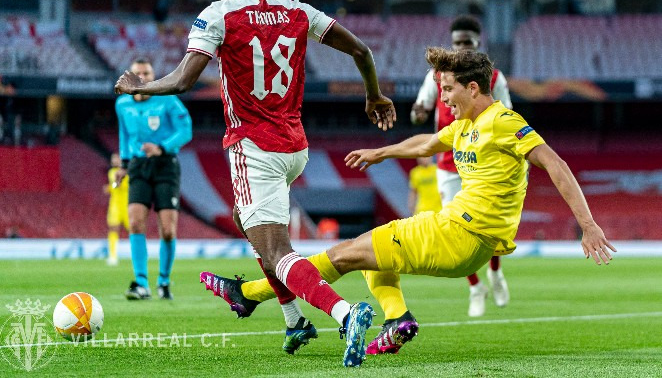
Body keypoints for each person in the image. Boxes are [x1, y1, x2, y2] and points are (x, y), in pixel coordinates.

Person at [203, 47, 615, 358]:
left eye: (448, 89)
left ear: (473, 88)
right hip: (469, 241)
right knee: (372, 259)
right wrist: (381, 152)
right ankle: (397, 320)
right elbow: (426, 143)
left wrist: (589, 225)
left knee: (345, 254)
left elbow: (555, 163)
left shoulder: (503, 121)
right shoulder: (466, 125)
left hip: (460, 232)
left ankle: (249, 293)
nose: (444, 99)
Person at [114, 0, 396, 367]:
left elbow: (183, 80)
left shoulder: (218, 14)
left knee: (277, 250)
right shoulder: (297, 10)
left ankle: (345, 313)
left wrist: (140, 87)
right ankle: (293, 320)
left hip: (254, 146)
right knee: (246, 220)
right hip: (295, 146)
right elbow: (362, 50)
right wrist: (373, 95)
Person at [411, 15, 513, 317]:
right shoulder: (437, 76)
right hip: (448, 163)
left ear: (477, 42)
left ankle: (495, 271)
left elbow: (507, 115)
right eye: (457, 42)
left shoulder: (494, 78)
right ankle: (475, 287)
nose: (462, 47)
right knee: (456, 231)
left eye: (467, 42)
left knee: (489, 225)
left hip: (484, 161)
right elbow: (421, 107)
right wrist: (418, 113)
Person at [115, 57, 192, 301]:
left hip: (165, 165)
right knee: (135, 222)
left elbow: (186, 130)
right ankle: (141, 284)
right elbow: (124, 136)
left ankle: (164, 281)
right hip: (138, 166)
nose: (142, 77)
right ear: (130, 77)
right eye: (137, 73)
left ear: (153, 76)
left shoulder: (167, 100)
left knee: (167, 230)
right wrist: (124, 165)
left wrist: (161, 147)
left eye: (147, 73)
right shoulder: (122, 104)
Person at [102, 152, 129, 266]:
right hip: (115, 205)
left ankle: (139, 254)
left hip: (127, 204)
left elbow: (118, 185)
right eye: (113, 159)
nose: (114, 161)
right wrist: (111, 187)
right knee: (113, 228)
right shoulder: (112, 172)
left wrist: (111, 187)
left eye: (116, 158)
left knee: (134, 230)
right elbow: (115, 185)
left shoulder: (127, 171)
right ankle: (113, 256)